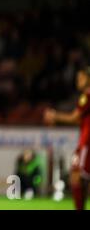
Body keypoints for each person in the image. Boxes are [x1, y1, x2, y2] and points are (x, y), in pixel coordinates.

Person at [44, 66, 90, 210]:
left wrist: (55, 116)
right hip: (85, 141)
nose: (78, 81)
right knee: (78, 176)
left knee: (76, 176)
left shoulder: (87, 95)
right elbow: (79, 119)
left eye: (81, 78)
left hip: (87, 142)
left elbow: (75, 116)